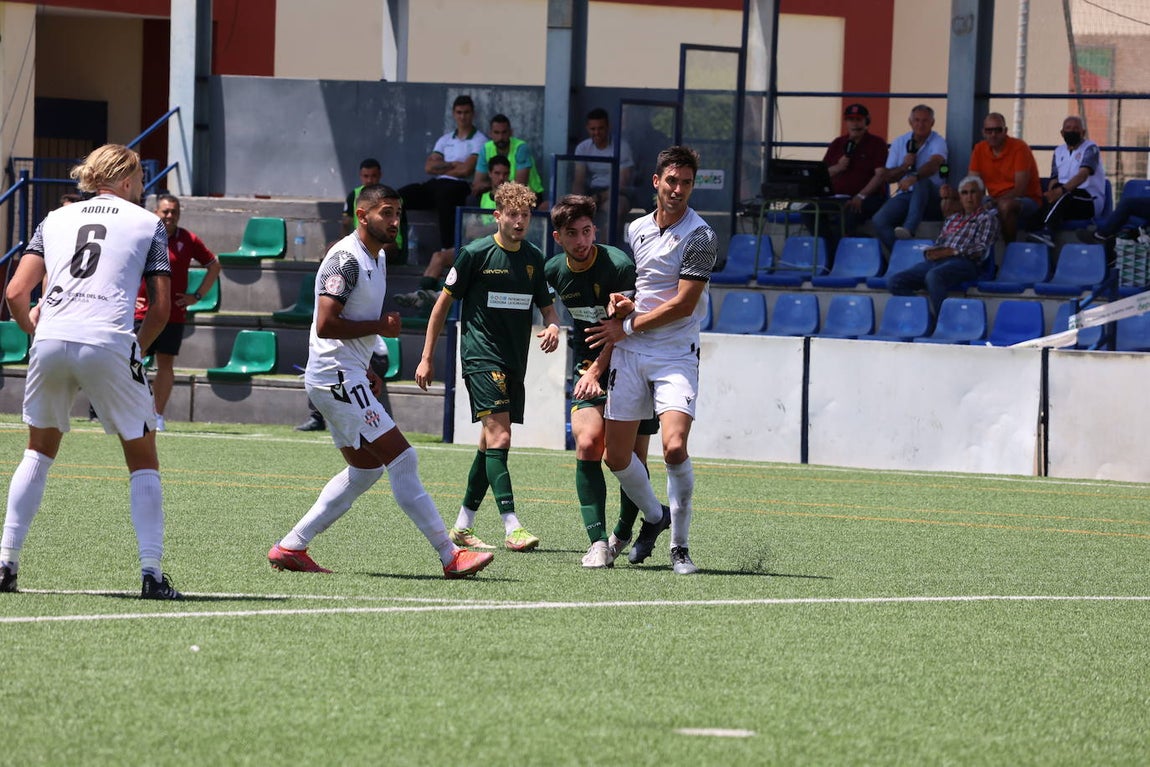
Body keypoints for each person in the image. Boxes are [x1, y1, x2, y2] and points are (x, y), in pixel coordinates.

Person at [268, 184, 494, 580]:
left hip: (345, 373)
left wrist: (366, 366)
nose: (394, 221)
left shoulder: (379, 256)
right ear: (362, 214)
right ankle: (450, 554)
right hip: (335, 377)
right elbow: (325, 323)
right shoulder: (346, 258)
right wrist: (379, 328)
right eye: (386, 213)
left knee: (366, 472)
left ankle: (291, 545)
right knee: (404, 458)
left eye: (398, 214)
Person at [0, 144, 181, 599]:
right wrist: (136, 349)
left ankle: (5, 564)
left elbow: (16, 292)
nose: (142, 188)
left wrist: (32, 329)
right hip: (109, 338)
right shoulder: (149, 223)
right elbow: (159, 308)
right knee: (142, 456)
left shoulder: (53, 220)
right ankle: (152, 575)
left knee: (38, 452)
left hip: (53, 338)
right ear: (124, 181)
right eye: (139, 179)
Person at [585, 145, 718, 576]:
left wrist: (626, 326)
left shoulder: (702, 236)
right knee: (615, 456)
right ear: (656, 182)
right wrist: (622, 303)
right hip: (632, 350)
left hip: (675, 351)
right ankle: (656, 516)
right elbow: (636, 289)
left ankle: (680, 547)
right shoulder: (636, 229)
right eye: (672, 180)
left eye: (687, 182)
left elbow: (682, 305)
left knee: (674, 447)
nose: (679, 189)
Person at [414, 181, 561, 552]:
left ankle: (463, 526)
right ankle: (512, 527)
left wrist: (554, 325)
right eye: (512, 214)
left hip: (515, 360)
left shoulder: (532, 258)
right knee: (501, 438)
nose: (519, 221)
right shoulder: (474, 254)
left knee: (488, 444)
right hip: (481, 357)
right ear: (497, 216)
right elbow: (442, 306)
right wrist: (428, 355)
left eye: (525, 215)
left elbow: (547, 307)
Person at [544, 194, 660, 568]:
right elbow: (538, 298)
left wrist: (598, 370)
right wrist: (550, 324)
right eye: (572, 233)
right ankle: (597, 542)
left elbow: (622, 331)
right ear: (557, 236)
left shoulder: (619, 265)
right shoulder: (553, 271)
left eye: (587, 231)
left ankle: (624, 533)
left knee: (628, 460)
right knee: (590, 442)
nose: (582, 241)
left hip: (631, 362)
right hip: (586, 364)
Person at [133, 193, 221, 432]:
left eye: (174, 211)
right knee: (132, 360)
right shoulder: (144, 235)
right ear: (155, 213)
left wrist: (197, 296)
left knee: (166, 363)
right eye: (165, 211)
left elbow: (214, 265)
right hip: (142, 312)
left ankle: (157, 415)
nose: (170, 216)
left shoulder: (188, 239)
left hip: (173, 313)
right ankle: (133, 410)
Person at [394, 155, 511, 311]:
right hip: (476, 247)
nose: (501, 178)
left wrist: (488, 229)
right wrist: (496, 226)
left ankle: (434, 296)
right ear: (490, 174)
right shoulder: (479, 197)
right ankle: (421, 294)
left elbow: (508, 230)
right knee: (439, 257)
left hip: (497, 252)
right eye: (497, 173)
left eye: (505, 174)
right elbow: (470, 231)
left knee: (465, 262)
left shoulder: (511, 200)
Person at [887, 175, 999, 318]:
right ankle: (926, 317)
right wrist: (932, 252)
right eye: (964, 193)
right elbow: (940, 243)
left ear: (982, 195)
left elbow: (980, 250)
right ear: (960, 197)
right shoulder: (952, 219)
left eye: (973, 192)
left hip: (966, 263)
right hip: (939, 261)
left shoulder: (987, 218)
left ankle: (946, 321)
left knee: (934, 276)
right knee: (895, 281)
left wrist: (953, 252)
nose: (969, 197)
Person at [398, 95, 487, 251]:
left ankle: (449, 249)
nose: (463, 116)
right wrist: (453, 164)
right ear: (453, 114)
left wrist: (443, 166)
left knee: (445, 196)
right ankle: (399, 245)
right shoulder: (445, 139)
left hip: (461, 185)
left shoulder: (480, 140)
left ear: (473, 114)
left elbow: (466, 170)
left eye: (466, 112)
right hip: (437, 183)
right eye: (459, 112)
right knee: (399, 196)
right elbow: (429, 168)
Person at [871, 104, 948, 253]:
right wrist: (904, 167)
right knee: (879, 221)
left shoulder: (938, 141)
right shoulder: (900, 142)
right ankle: (903, 255)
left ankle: (909, 228)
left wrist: (915, 176)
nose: (920, 124)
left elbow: (935, 163)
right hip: (906, 195)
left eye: (925, 121)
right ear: (910, 122)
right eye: (917, 120)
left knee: (922, 182)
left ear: (932, 123)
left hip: (932, 197)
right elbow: (888, 177)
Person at [957, 112, 1041, 245]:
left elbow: (1020, 189)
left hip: (1026, 200)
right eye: (989, 130)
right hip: (994, 199)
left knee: (1005, 205)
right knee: (953, 202)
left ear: (1005, 131)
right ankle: (956, 247)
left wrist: (993, 203)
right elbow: (973, 184)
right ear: (983, 132)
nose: (993, 134)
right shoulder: (979, 149)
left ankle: (1010, 250)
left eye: (997, 130)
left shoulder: (1019, 148)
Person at [819, 103, 889, 255]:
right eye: (851, 119)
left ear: (866, 121)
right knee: (810, 210)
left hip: (868, 198)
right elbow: (822, 174)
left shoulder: (877, 143)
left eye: (859, 119)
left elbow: (880, 175)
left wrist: (861, 195)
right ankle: (826, 249)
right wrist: (838, 167)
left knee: (848, 214)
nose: (855, 123)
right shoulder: (838, 143)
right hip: (838, 197)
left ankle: (840, 256)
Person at [1029, 116, 1107, 246]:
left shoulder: (1091, 148)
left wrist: (1060, 191)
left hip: (1089, 199)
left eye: (1076, 128)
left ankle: (1047, 232)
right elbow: (1054, 179)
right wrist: (1051, 193)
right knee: (1039, 200)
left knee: (1066, 194)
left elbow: (1082, 175)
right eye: (1068, 128)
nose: (1072, 131)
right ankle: (1030, 233)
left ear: (1083, 132)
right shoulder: (1058, 151)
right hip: (1064, 198)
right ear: (1062, 133)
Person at [572, 107, 636, 239]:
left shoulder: (621, 147)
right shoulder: (582, 148)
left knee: (615, 209)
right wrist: (576, 201)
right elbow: (579, 180)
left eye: (600, 128)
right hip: (592, 192)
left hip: (617, 194)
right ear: (587, 129)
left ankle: (604, 250)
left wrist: (599, 198)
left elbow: (622, 184)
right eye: (592, 129)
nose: (597, 132)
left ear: (608, 127)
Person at [472, 114, 545, 206]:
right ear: (490, 133)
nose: (500, 137)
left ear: (511, 132)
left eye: (504, 132)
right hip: (497, 195)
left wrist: (493, 185)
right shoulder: (486, 148)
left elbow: (519, 186)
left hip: (528, 196)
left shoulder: (521, 148)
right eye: (496, 133)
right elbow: (477, 185)